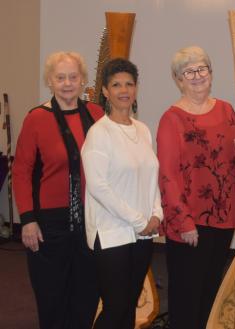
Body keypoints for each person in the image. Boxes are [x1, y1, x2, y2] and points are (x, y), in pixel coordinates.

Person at [157, 46, 235, 329]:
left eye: (202, 69)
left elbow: (232, 160)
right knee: (187, 299)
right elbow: (168, 176)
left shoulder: (226, 110)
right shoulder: (171, 118)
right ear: (178, 79)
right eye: (189, 71)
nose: (197, 76)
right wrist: (184, 222)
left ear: (211, 73)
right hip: (190, 223)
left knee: (210, 294)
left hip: (223, 219)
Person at [12, 51, 103, 329]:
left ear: (83, 80)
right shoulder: (36, 118)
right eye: (60, 77)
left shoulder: (97, 114)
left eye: (73, 77)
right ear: (49, 81)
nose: (67, 83)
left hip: (90, 219)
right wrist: (28, 219)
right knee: (52, 296)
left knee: (86, 293)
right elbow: (21, 172)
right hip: (49, 223)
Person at [81, 58, 163, 329]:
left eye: (129, 84)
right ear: (105, 91)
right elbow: (98, 187)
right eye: (116, 84)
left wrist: (156, 214)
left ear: (136, 89)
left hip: (142, 234)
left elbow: (151, 177)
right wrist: (140, 221)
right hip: (111, 232)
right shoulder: (99, 133)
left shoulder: (142, 130)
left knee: (129, 305)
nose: (124, 90)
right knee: (115, 307)